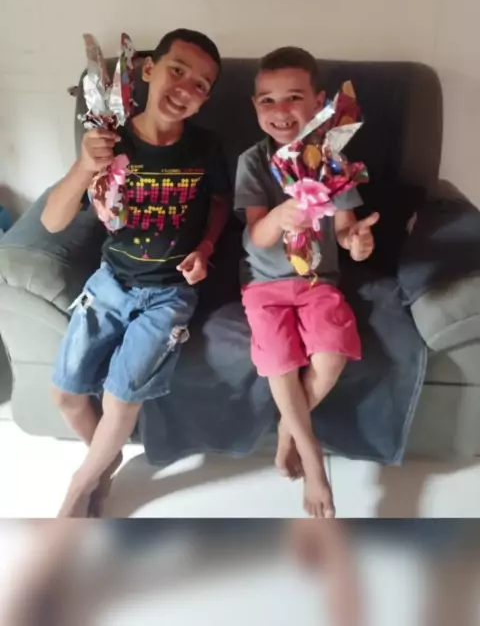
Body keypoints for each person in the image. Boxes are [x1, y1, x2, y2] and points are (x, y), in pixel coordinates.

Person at [42, 29, 230, 518]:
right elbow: (53, 221)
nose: (185, 88)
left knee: (121, 397)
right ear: (148, 69)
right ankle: (104, 460)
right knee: (64, 395)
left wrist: (206, 246)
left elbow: (219, 202)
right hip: (110, 282)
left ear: (206, 99)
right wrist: (85, 166)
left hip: (169, 294)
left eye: (200, 85)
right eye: (176, 70)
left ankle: (78, 489)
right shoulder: (110, 140)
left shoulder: (206, 148)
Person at [235, 47, 379, 518]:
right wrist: (282, 214)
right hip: (264, 284)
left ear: (319, 102)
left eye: (294, 97)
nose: (280, 111)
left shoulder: (333, 160)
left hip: (319, 281)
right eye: (267, 101)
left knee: (331, 356)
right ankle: (312, 458)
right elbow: (256, 236)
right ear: (255, 106)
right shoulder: (253, 161)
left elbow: (346, 230)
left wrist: (357, 242)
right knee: (279, 360)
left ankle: (288, 429)